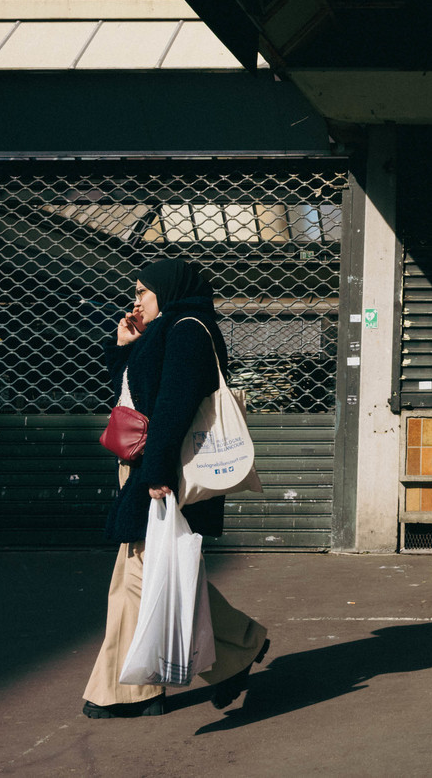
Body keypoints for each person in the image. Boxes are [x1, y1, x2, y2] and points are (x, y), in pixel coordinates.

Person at [81, 258, 270, 718]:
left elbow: (173, 407)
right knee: (148, 572)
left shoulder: (186, 329)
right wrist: (126, 348)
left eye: (143, 292)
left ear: (168, 291)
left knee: (142, 574)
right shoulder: (165, 330)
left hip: (168, 471)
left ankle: (130, 690)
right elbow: (134, 399)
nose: (136, 301)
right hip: (148, 466)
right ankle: (235, 649)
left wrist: (157, 473)